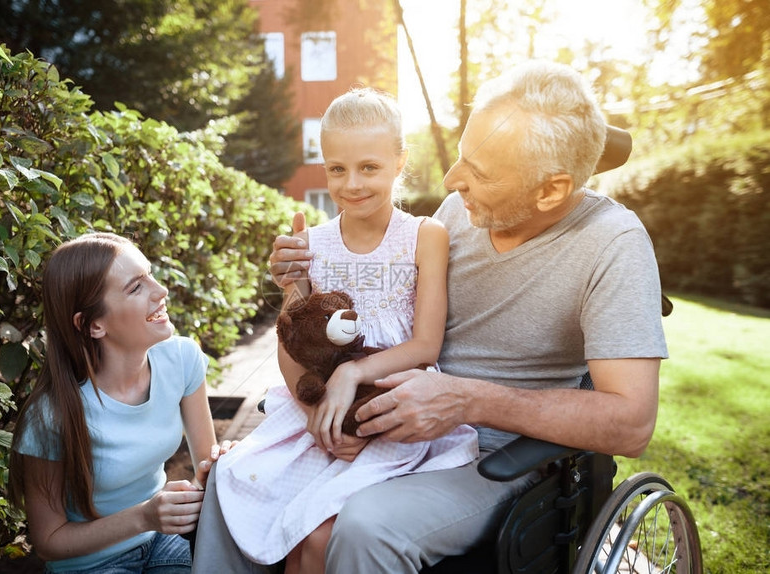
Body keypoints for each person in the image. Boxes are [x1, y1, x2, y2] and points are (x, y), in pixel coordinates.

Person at [196, 60, 668, 572]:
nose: (450, 179)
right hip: (384, 421)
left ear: (550, 190)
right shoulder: (455, 214)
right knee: (229, 480)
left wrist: (463, 400)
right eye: (461, 157)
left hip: (493, 458)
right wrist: (298, 284)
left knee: (365, 528)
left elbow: (632, 423)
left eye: (477, 172)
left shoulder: (613, 244)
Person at [196, 88, 478, 574]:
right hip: (317, 415)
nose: (351, 184)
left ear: (399, 161)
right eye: (336, 169)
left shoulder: (424, 236)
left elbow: (425, 346)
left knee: (320, 537)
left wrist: (354, 384)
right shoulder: (312, 244)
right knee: (234, 480)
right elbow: (296, 349)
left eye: (369, 167)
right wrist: (294, 288)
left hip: (392, 411)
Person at [9, 232, 232, 573]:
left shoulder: (182, 359)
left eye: (150, 274)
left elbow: (207, 468)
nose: (161, 291)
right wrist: (144, 516)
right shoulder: (50, 416)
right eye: (136, 287)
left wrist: (222, 466)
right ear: (92, 324)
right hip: (92, 564)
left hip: (163, 540)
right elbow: (49, 541)